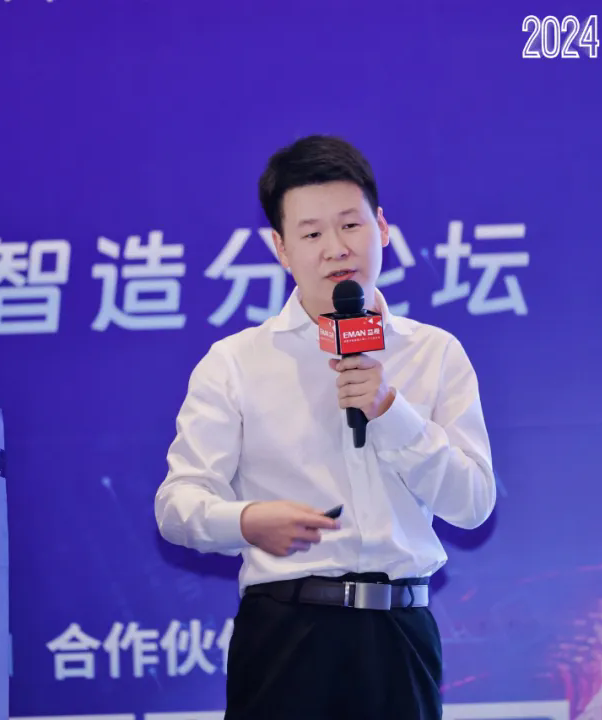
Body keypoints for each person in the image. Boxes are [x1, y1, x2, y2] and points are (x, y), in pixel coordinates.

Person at [154, 135, 496, 719]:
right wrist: (246, 521)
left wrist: (391, 410)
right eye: (312, 234)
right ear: (281, 248)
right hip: (287, 634)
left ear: (382, 227)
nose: (336, 248)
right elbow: (175, 504)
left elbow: (473, 503)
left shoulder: (435, 353)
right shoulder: (235, 362)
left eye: (350, 225)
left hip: (400, 635)